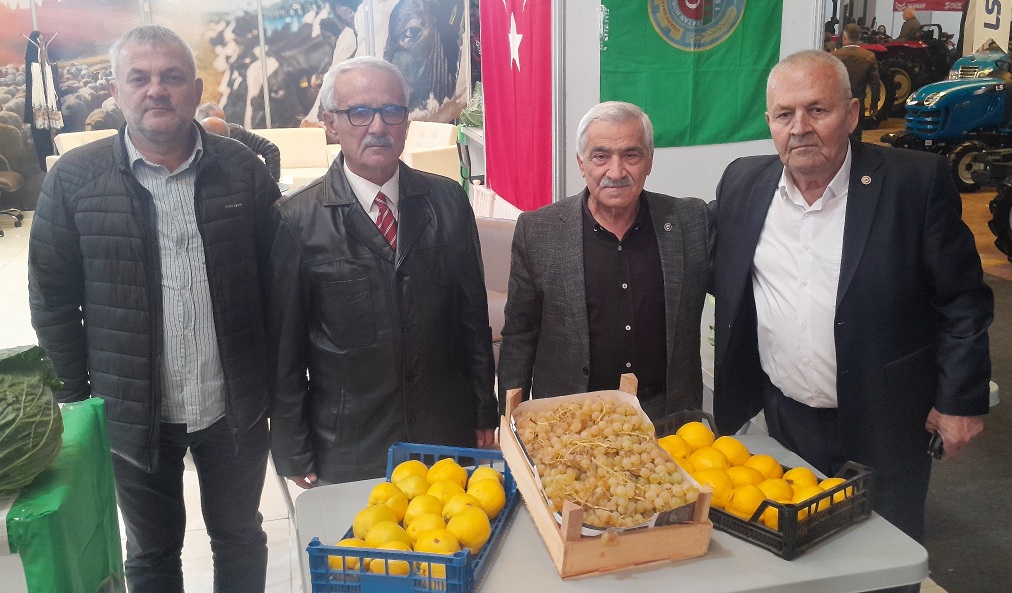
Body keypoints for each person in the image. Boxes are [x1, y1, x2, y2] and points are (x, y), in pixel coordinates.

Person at [709, 51, 991, 585]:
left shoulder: (914, 183)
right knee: (796, 561)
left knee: (884, 563)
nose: (800, 127)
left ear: (854, 113)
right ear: (769, 122)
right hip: (785, 419)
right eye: (784, 114)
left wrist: (960, 400)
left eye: (817, 110)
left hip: (888, 421)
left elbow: (962, 299)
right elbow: (709, 265)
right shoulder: (743, 183)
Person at [29, 25, 280, 593]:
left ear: (196, 90)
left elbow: (278, 284)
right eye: (139, 78)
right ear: (115, 91)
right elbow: (52, 298)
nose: (156, 90)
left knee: (241, 535)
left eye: (171, 77)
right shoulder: (74, 180)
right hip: (131, 409)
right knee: (150, 552)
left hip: (232, 405)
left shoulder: (242, 169)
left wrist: (277, 385)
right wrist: (77, 401)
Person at [268, 56, 497, 487]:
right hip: (352, 440)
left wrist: (485, 407)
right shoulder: (296, 219)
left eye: (392, 111)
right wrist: (292, 446)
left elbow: (472, 319)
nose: (378, 126)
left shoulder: (448, 200)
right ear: (331, 124)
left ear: (406, 121)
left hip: (443, 428)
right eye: (359, 112)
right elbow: (286, 349)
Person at [496, 101, 711, 421]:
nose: (616, 171)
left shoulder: (689, 222)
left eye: (631, 155)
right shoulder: (538, 231)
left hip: (666, 417)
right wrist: (508, 419)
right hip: (570, 419)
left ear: (649, 162)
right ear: (581, 163)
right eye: (601, 156)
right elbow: (520, 334)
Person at [196, 102, 282, 181]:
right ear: (201, 123)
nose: (223, 125)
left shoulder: (236, 133)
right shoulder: (194, 141)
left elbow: (270, 149)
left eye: (223, 120)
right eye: (217, 121)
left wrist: (271, 183)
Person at [832, 23, 880, 137]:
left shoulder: (833, 56)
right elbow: (875, 84)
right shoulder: (869, 56)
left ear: (844, 37)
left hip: (836, 106)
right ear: (859, 37)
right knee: (856, 141)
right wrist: (874, 105)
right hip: (858, 107)